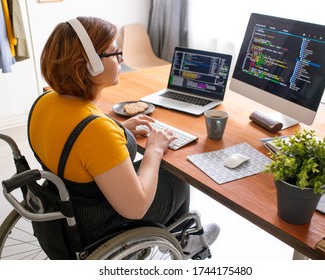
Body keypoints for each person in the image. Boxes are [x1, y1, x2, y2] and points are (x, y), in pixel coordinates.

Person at [28, 16, 219, 259]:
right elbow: (136, 208)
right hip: (96, 224)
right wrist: (154, 149)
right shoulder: (96, 131)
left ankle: (186, 238)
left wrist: (120, 129)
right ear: (90, 64)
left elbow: (77, 144)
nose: (122, 59)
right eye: (115, 52)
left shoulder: (46, 101)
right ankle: (189, 241)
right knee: (176, 176)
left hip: (67, 206)